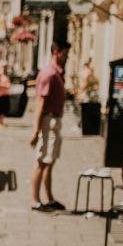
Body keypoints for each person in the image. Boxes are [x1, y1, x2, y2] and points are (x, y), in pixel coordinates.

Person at [30, 41, 71, 212]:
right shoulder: (49, 74)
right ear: (56, 52)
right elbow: (40, 102)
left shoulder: (57, 73)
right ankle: (36, 201)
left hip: (54, 121)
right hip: (48, 121)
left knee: (49, 161)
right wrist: (36, 129)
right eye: (65, 53)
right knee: (41, 160)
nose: (67, 56)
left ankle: (49, 198)